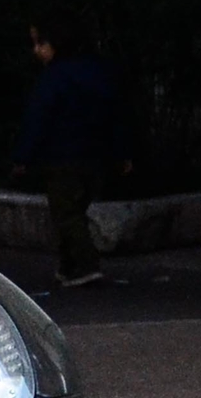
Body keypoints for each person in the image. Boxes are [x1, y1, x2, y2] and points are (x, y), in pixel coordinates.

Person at [11, 15, 126, 288]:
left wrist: (23, 157)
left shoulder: (53, 78)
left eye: (41, 43)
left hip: (62, 156)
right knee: (73, 210)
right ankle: (69, 265)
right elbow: (117, 114)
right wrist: (122, 151)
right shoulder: (98, 72)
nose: (37, 50)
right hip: (95, 154)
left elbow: (39, 119)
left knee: (66, 213)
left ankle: (85, 264)